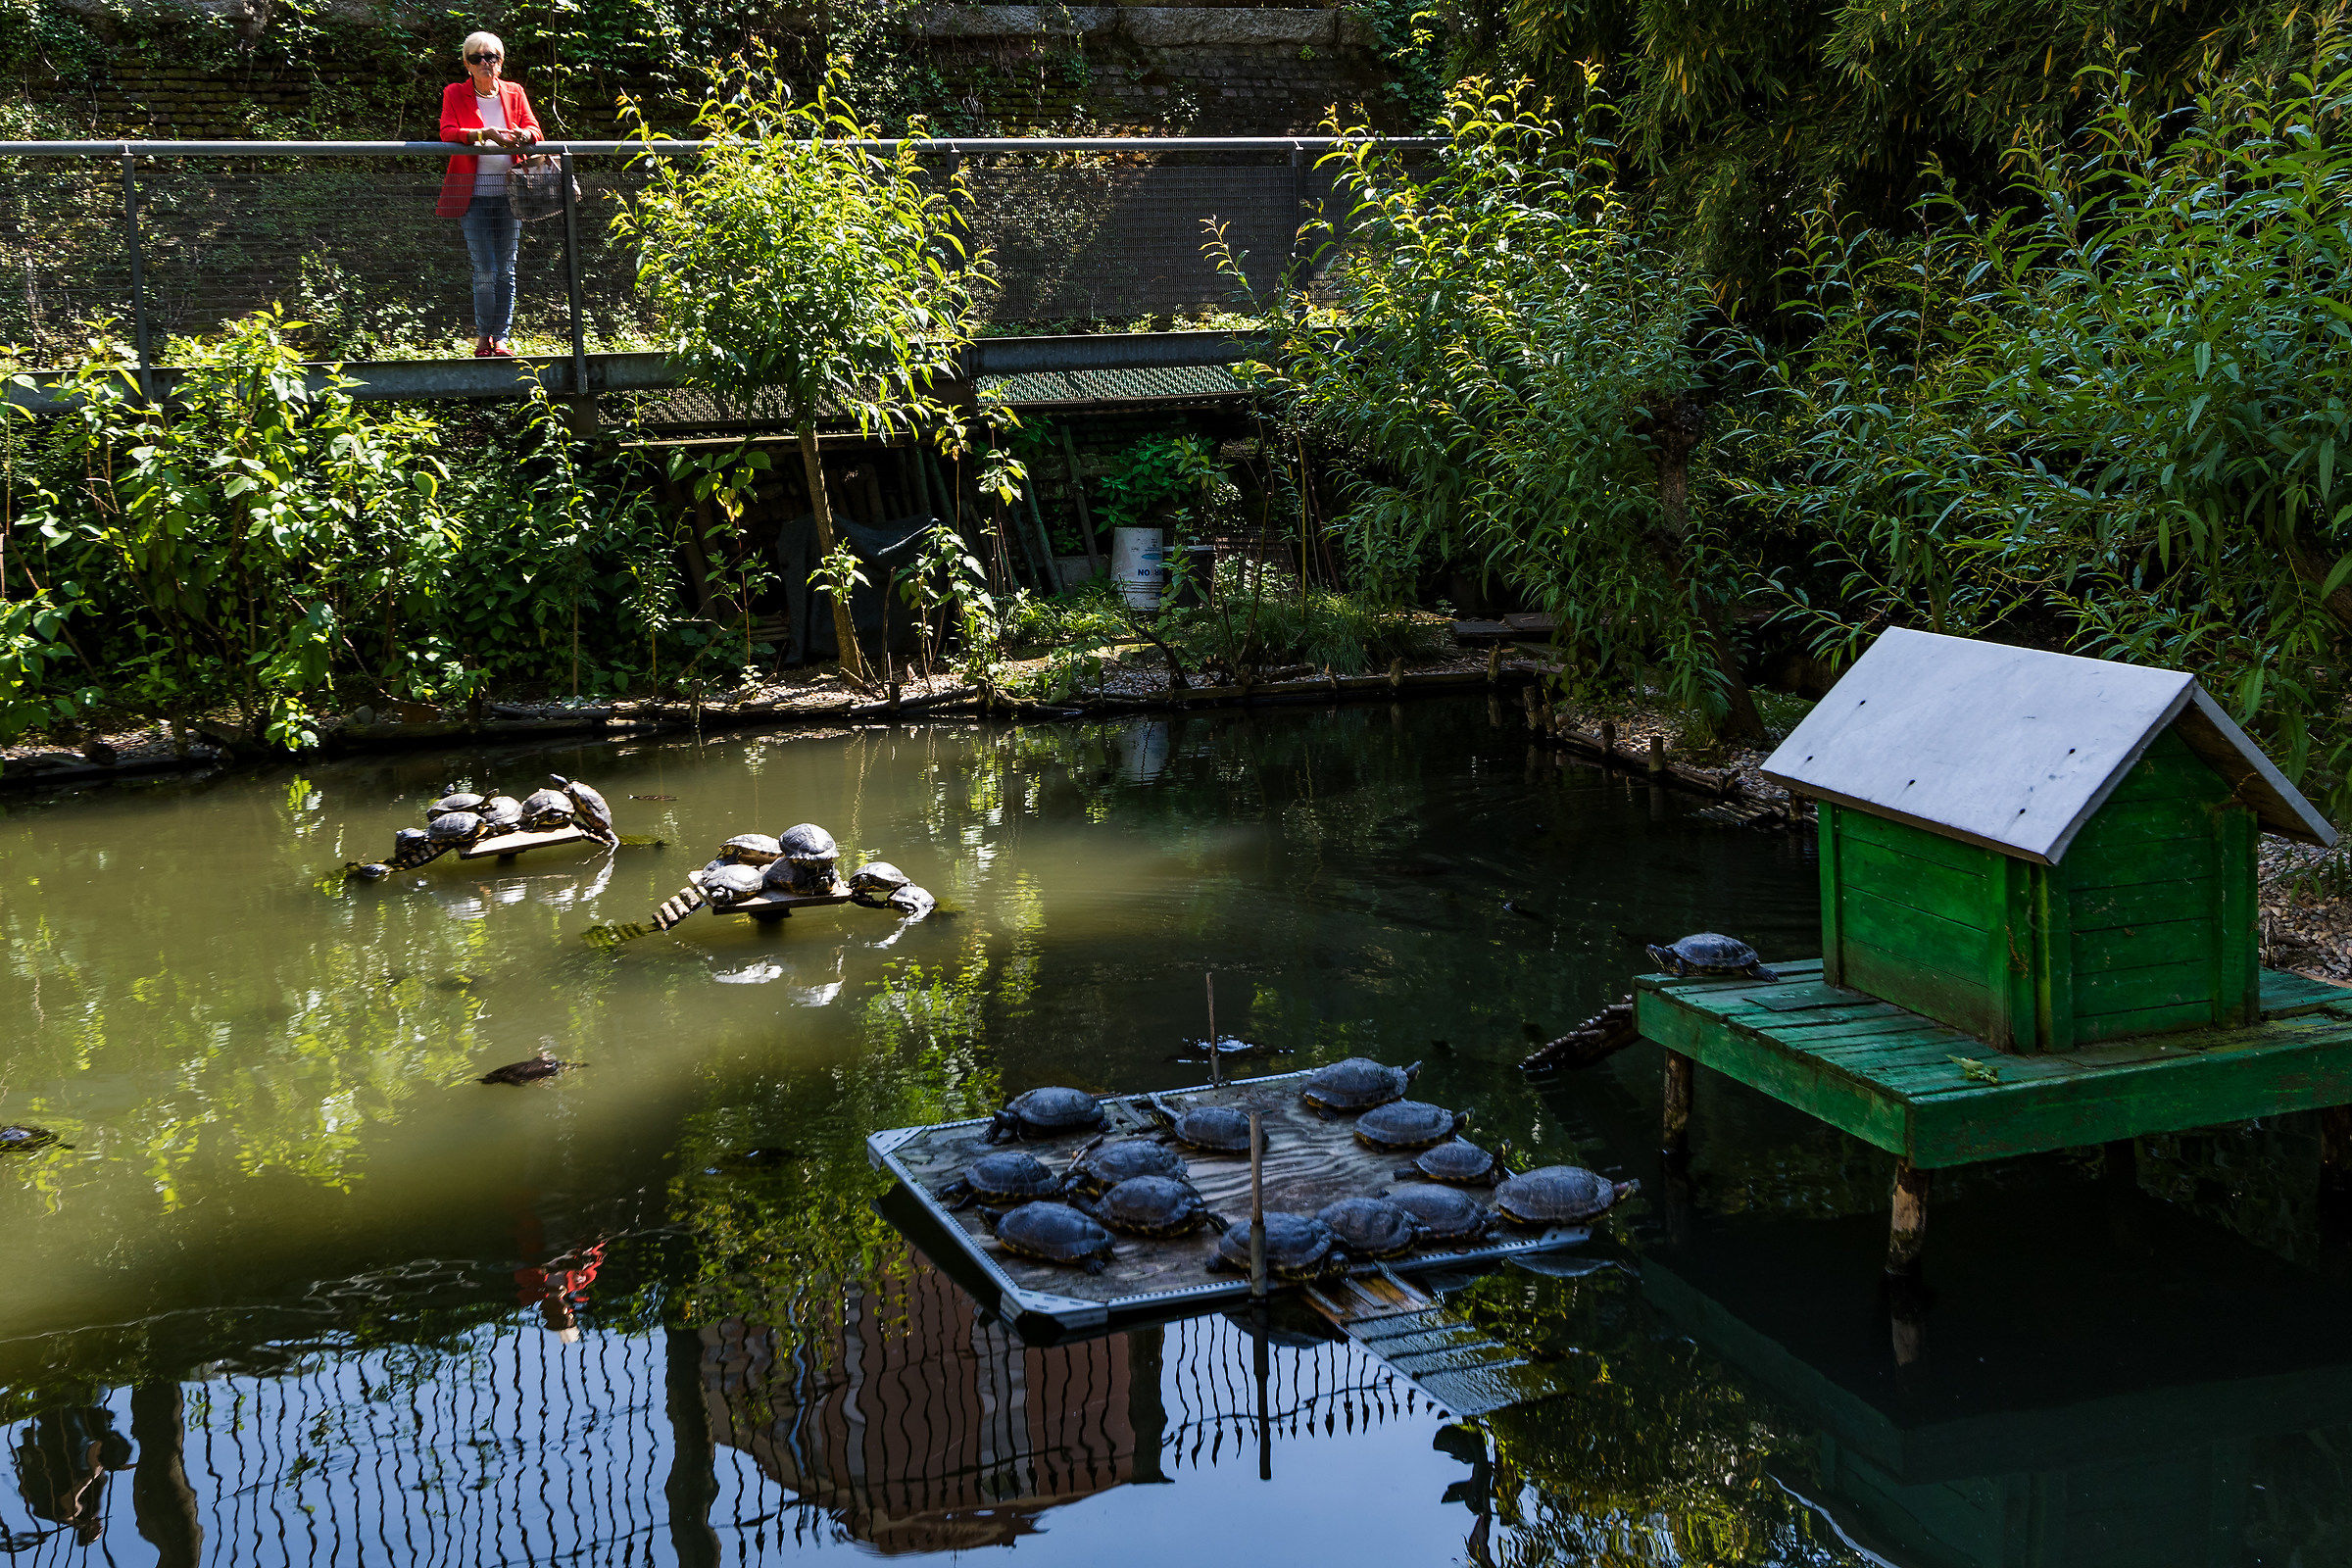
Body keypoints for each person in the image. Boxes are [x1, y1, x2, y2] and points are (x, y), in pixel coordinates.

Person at [438, 31, 543, 358]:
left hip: (513, 195)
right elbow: (447, 132)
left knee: (507, 270)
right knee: (485, 270)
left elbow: (535, 130)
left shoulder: (514, 92)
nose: (486, 63)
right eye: (477, 58)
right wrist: (483, 134)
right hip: (474, 196)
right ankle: (484, 336)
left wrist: (525, 134)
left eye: (492, 57)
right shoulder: (455, 93)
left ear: (501, 61)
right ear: (467, 64)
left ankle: (501, 339)